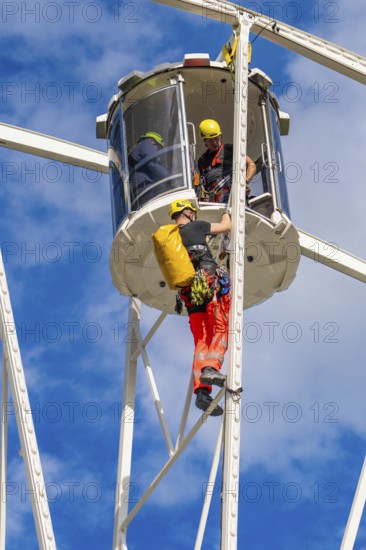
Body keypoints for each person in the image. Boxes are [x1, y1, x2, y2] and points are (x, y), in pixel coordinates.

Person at [169, 199, 232, 416]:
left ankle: (202, 394)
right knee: (221, 327)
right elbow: (226, 227)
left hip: (189, 295)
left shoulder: (173, 237)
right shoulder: (197, 226)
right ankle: (211, 368)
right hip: (206, 283)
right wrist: (228, 213)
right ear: (188, 212)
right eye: (193, 213)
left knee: (201, 339)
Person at [197, 119, 256, 204]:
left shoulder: (229, 149)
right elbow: (203, 185)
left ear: (220, 136)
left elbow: (251, 165)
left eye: (216, 138)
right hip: (212, 200)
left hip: (230, 195)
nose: (214, 142)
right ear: (205, 141)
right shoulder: (202, 161)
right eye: (210, 140)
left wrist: (245, 182)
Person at [128, 132, 170, 207]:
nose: (158, 151)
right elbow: (152, 163)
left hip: (141, 191)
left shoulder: (139, 152)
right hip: (145, 190)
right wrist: (170, 177)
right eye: (158, 147)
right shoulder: (145, 143)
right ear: (152, 141)